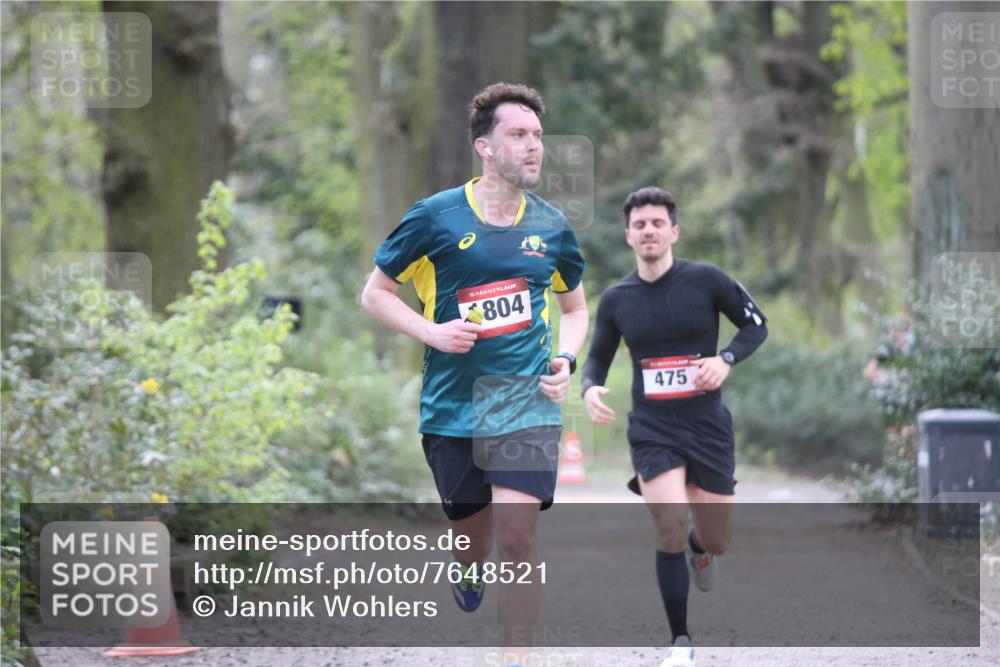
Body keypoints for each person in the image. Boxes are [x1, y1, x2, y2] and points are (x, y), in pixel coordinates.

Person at [361, 82, 588, 667]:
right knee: (472, 536)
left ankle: (516, 657)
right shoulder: (434, 217)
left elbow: (576, 307)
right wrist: (432, 332)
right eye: (519, 135)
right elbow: (375, 294)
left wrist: (565, 360)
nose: (534, 146)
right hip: (452, 405)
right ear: (486, 147)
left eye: (538, 136)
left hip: (525, 403)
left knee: (518, 538)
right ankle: (466, 566)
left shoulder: (553, 226)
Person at [580, 187, 767, 667]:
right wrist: (589, 388)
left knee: (717, 537)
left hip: (706, 426)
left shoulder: (707, 280)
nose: (648, 231)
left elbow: (755, 326)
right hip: (652, 429)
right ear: (628, 236)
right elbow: (598, 356)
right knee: (667, 523)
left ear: (673, 232)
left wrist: (725, 360)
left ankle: (700, 549)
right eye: (639, 224)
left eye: (657, 223)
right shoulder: (618, 298)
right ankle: (680, 642)